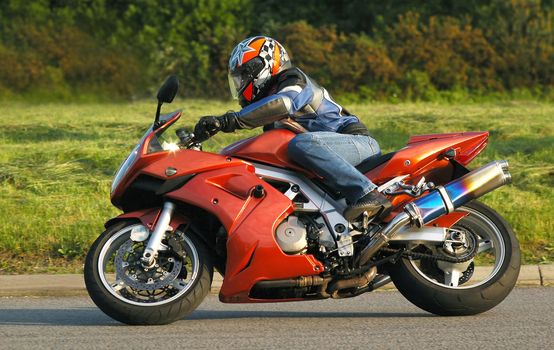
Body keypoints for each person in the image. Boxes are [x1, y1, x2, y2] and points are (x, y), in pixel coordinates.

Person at [193, 36, 391, 222]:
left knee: (302, 144)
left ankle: (367, 193)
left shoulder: (292, 80)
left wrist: (229, 121)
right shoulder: (270, 117)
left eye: (243, 75)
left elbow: (285, 103)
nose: (240, 84)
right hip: (329, 154)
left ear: (262, 67)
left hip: (357, 142)